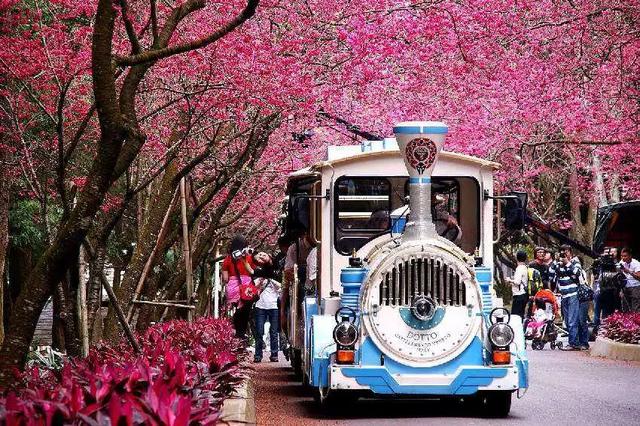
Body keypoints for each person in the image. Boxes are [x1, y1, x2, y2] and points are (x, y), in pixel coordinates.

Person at [549, 245, 588, 350]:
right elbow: (550, 276)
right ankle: (574, 342)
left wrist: (567, 263)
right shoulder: (558, 264)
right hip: (563, 295)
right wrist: (555, 262)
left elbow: (578, 273)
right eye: (561, 252)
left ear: (570, 252)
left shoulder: (575, 262)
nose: (564, 254)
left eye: (565, 252)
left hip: (573, 295)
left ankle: (573, 343)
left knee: (572, 320)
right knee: (567, 320)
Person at [221, 235, 256, 340]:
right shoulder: (249, 258)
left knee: (239, 309)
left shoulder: (227, 259)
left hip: (233, 288)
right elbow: (253, 272)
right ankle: (241, 333)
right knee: (245, 310)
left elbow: (226, 278)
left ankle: (238, 333)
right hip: (246, 287)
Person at [252, 254, 281, 363]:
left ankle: (274, 354)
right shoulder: (259, 276)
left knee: (273, 332)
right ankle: (258, 355)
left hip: (274, 306)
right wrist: (261, 281)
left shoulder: (275, 275)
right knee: (259, 331)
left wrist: (271, 279)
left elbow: (280, 287)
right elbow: (254, 287)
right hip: (260, 306)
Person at [507, 250, 529, 319]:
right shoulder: (525, 267)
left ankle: (517, 329)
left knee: (515, 316)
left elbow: (517, 282)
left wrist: (509, 280)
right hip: (524, 294)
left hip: (519, 295)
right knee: (521, 314)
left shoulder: (519, 268)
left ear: (517, 258)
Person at [619, 247, 640, 312]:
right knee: (625, 309)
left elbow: (639, 277)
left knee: (635, 309)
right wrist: (620, 290)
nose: (623, 258)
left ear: (630, 256)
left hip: (635, 287)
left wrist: (628, 271)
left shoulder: (636, 263)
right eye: (622, 256)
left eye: (625, 256)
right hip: (624, 287)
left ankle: (636, 321)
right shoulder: (621, 262)